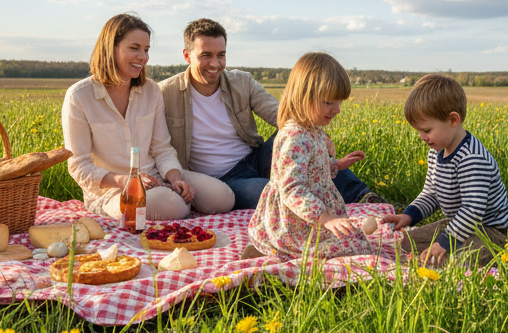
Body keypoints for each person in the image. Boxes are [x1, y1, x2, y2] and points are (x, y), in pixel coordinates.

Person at [158, 18, 381, 210]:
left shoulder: (242, 81)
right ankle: (317, 209)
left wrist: (317, 136)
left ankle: (364, 197)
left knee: (301, 134)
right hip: (220, 180)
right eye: (206, 55)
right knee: (274, 194)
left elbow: (281, 115)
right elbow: (154, 142)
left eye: (221, 55)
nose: (215, 64)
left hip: (256, 158)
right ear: (187, 55)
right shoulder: (165, 92)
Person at [61, 13, 234, 221]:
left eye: (146, 49)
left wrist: (175, 178)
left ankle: (175, 198)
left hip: (157, 177)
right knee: (171, 205)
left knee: (223, 199)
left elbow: (162, 148)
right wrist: (126, 180)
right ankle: (174, 203)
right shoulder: (79, 96)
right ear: (111, 48)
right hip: (112, 190)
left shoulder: (151, 91)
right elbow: (79, 166)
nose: (143, 57)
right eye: (134, 48)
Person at [242, 52, 381, 260]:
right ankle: (276, 249)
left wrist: (337, 164)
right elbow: (292, 189)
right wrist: (324, 218)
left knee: (354, 240)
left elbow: (311, 169)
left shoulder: (310, 130)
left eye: (339, 102)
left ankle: (274, 249)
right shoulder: (294, 136)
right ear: (304, 96)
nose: (337, 110)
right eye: (329, 103)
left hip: (309, 218)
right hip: (296, 221)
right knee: (354, 246)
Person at [380, 74, 508, 265]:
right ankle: (429, 255)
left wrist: (445, 243)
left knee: (444, 261)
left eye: (426, 130)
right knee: (403, 244)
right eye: (418, 131)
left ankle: (503, 260)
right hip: (456, 223)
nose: (421, 136)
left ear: (452, 120)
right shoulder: (437, 151)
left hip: (489, 232)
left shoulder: (472, 158)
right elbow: (431, 193)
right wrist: (409, 215)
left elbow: (472, 210)